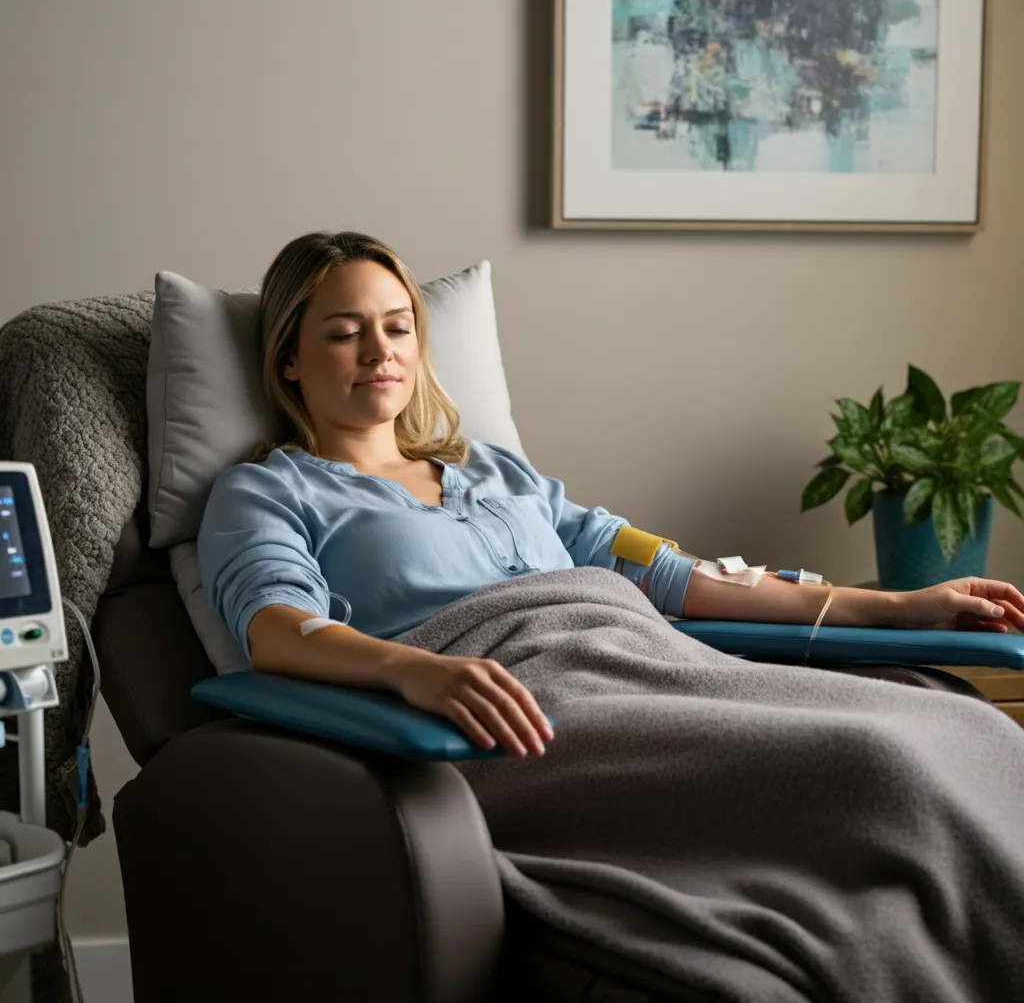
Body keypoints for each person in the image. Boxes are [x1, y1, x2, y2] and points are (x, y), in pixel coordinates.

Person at [198, 230, 1024, 761]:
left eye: (398, 325)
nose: (380, 350)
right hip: (532, 705)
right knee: (874, 759)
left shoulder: (495, 472)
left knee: (961, 728)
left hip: (648, 659)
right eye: (344, 333)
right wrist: (420, 672)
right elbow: (275, 629)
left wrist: (895, 606)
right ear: (290, 362)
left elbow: (667, 573)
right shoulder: (266, 491)